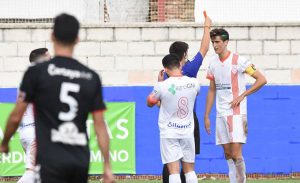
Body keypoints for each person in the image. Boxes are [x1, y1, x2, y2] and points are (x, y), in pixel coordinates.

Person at [0, 13, 114, 183]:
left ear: (52, 36)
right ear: (77, 39)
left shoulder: (36, 73)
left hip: (50, 155)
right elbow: (100, 125)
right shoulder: (91, 77)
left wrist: (5, 142)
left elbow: (16, 116)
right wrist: (107, 166)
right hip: (79, 157)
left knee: (31, 173)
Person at [204, 28, 267, 183]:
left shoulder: (239, 60)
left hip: (237, 113)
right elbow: (212, 90)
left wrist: (242, 95)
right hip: (221, 113)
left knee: (236, 153)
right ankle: (234, 180)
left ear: (226, 42)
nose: (215, 45)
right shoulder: (212, 64)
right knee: (227, 153)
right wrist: (206, 115)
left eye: (218, 42)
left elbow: (261, 79)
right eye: (213, 42)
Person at [158, 15, 212, 183]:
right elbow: (204, 49)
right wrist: (206, 27)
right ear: (183, 56)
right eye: (187, 54)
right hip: (189, 120)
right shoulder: (189, 70)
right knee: (188, 164)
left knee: (170, 161)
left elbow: (157, 102)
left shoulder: (165, 75)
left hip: (169, 122)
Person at [147, 54, 200, 183]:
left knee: (174, 172)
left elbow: (150, 102)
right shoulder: (194, 83)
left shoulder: (163, 86)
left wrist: (159, 83)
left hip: (169, 132)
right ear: (180, 65)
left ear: (165, 69)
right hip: (187, 131)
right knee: (190, 171)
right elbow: (196, 93)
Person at [17, 48, 51, 183]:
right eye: (49, 57)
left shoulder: (27, 79)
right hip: (35, 133)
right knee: (31, 173)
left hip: (26, 132)